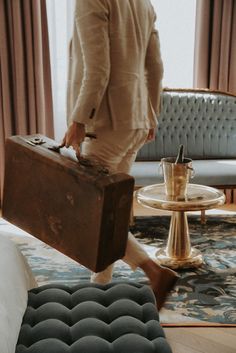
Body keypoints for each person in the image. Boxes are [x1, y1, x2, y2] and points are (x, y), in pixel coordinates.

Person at [61, 0, 179, 310]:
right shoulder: (142, 2)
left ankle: (154, 272)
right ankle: (98, 289)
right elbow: (156, 67)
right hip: (135, 122)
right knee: (109, 213)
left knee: (93, 213)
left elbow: (98, 68)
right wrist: (151, 115)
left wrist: (79, 120)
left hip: (106, 123)